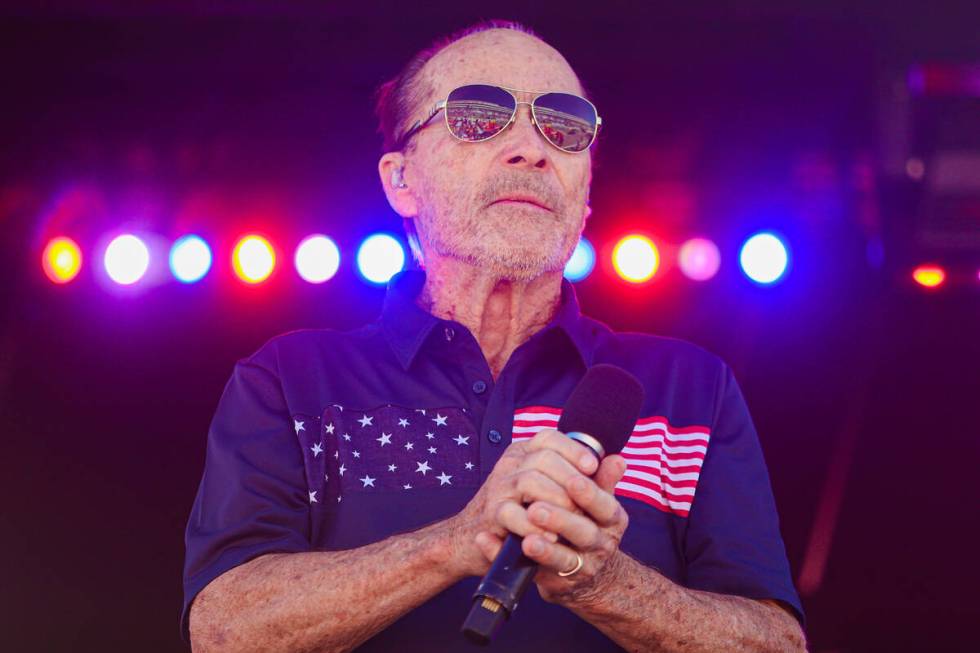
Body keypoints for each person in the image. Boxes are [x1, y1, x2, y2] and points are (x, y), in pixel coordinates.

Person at [182, 20, 806, 652]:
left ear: (585, 195)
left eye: (563, 128)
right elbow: (225, 630)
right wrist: (455, 543)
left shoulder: (690, 387)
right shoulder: (290, 380)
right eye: (481, 115)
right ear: (401, 180)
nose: (532, 150)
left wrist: (606, 585)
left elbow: (778, 644)